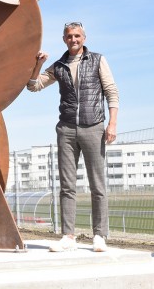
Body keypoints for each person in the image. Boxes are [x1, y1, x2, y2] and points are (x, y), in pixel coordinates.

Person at [26, 21, 119, 252]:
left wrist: (112, 124)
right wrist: (38, 65)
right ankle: (68, 236)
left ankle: (100, 235)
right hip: (66, 129)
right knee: (67, 186)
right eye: (69, 36)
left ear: (84, 38)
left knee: (97, 185)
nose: (73, 40)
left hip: (93, 126)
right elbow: (33, 86)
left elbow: (111, 92)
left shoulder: (97, 60)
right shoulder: (59, 66)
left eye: (77, 36)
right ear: (64, 39)